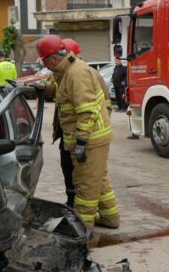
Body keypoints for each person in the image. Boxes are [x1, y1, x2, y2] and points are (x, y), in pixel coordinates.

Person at [36, 35, 120, 229]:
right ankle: (110, 217)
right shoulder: (68, 71)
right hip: (92, 137)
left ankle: (82, 230)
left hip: (89, 139)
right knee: (99, 180)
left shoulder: (76, 73)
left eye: (45, 61)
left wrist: (81, 141)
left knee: (85, 186)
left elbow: (86, 110)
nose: (46, 66)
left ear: (54, 58)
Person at [111, 45, 128, 112]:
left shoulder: (123, 68)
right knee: (117, 97)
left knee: (122, 97)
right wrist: (112, 78)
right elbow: (114, 74)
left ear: (120, 61)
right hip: (115, 85)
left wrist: (124, 81)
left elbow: (126, 76)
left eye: (117, 61)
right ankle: (119, 107)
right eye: (115, 61)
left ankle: (124, 108)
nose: (116, 62)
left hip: (121, 86)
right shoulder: (115, 67)